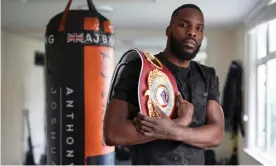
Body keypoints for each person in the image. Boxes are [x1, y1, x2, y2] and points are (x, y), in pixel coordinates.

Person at [104, 4, 224, 165]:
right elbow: (113, 133)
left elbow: (216, 135)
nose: (192, 32)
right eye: (183, 25)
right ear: (168, 30)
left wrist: (173, 130)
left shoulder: (208, 76)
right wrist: (180, 122)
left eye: (199, 28)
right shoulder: (138, 68)